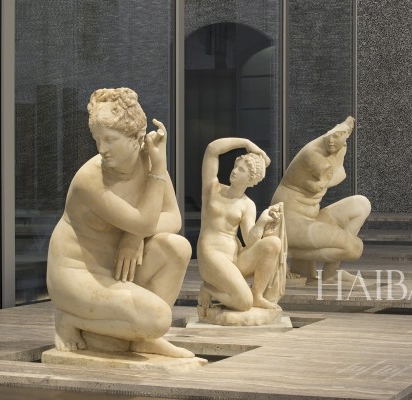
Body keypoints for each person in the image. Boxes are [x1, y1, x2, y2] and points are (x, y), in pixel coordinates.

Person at [46, 87, 193, 358]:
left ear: (137, 137)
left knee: (177, 247)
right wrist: (159, 170)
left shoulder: (149, 163)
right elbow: (144, 223)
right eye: (97, 139)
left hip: (116, 266)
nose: (102, 149)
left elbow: (173, 218)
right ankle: (70, 318)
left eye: (110, 139)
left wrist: (133, 237)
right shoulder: (90, 180)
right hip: (78, 273)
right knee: (157, 319)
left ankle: (143, 338)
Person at [271, 116, 371, 282]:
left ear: (345, 137)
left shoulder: (340, 148)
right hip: (289, 225)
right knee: (354, 248)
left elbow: (340, 174)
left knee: (361, 204)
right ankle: (281, 254)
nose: (331, 141)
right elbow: (327, 179)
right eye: (329, 136)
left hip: (310, 218)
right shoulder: (313, 154)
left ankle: (330, 273)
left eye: (337, 137)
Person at [197, 138, 285, 314]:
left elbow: (250, 241)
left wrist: (262, 221)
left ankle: (257, 295)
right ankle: (208, 288)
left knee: (273, 243)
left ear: (251, 180)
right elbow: (212, 149)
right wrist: (246, 143)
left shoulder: (247, 205)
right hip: (211, 255)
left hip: (233, 259)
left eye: (242, 170)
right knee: (244, 302)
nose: (235, 171)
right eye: (236, 166)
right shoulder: (212, 189)